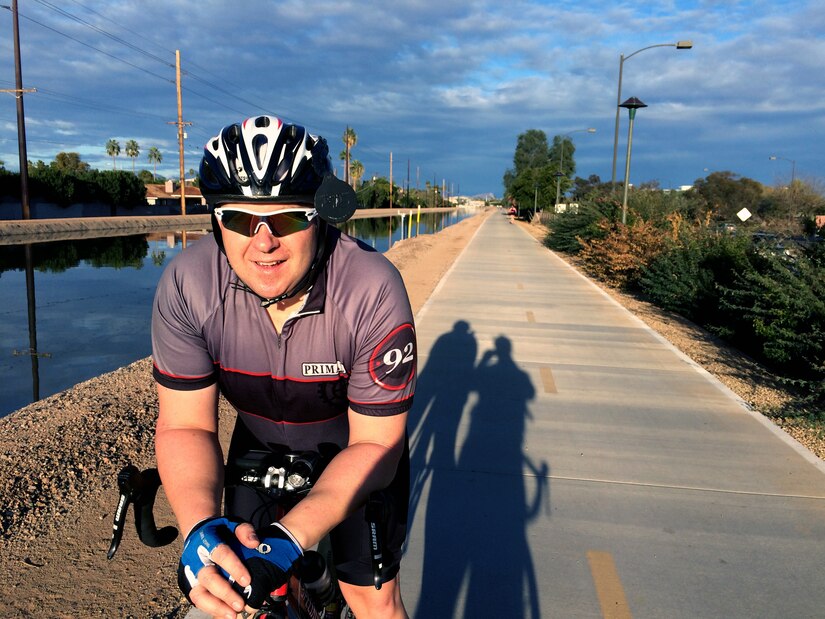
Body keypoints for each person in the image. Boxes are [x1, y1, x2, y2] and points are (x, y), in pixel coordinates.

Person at [151, 115, 415, 619]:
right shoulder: (187, 284)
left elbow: (377, 443)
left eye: (289, 218)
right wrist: (201, 531)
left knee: (372, 601)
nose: (264, 241)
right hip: (257, 442)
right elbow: (184, 424)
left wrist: (292, 538)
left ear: (320, 216)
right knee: (237, 586)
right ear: (215, 222)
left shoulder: (371, 288)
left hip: (356, 447)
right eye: (239, 219)